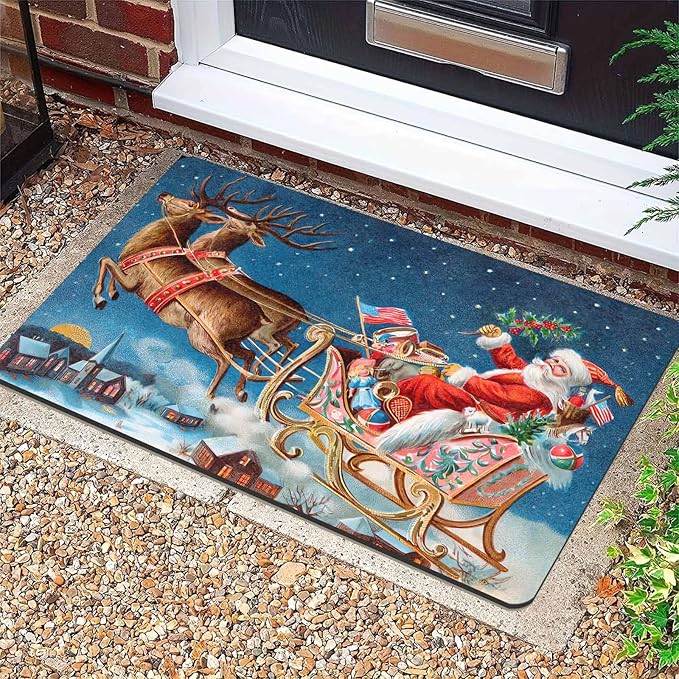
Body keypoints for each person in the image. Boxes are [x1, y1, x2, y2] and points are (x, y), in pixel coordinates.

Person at [395, 324, 632, 424]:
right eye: (555, 360)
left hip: (486, 412)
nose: (552, 365)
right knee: (429, 373)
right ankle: (402, 403)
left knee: (429, 385)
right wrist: (496, 339)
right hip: (481, 401)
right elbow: (510, 362)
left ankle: (392, 408)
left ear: (566, 380)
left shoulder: (540, 395)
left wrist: (465, 377)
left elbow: (500, 394)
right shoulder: (534, 376)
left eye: (561, 368)